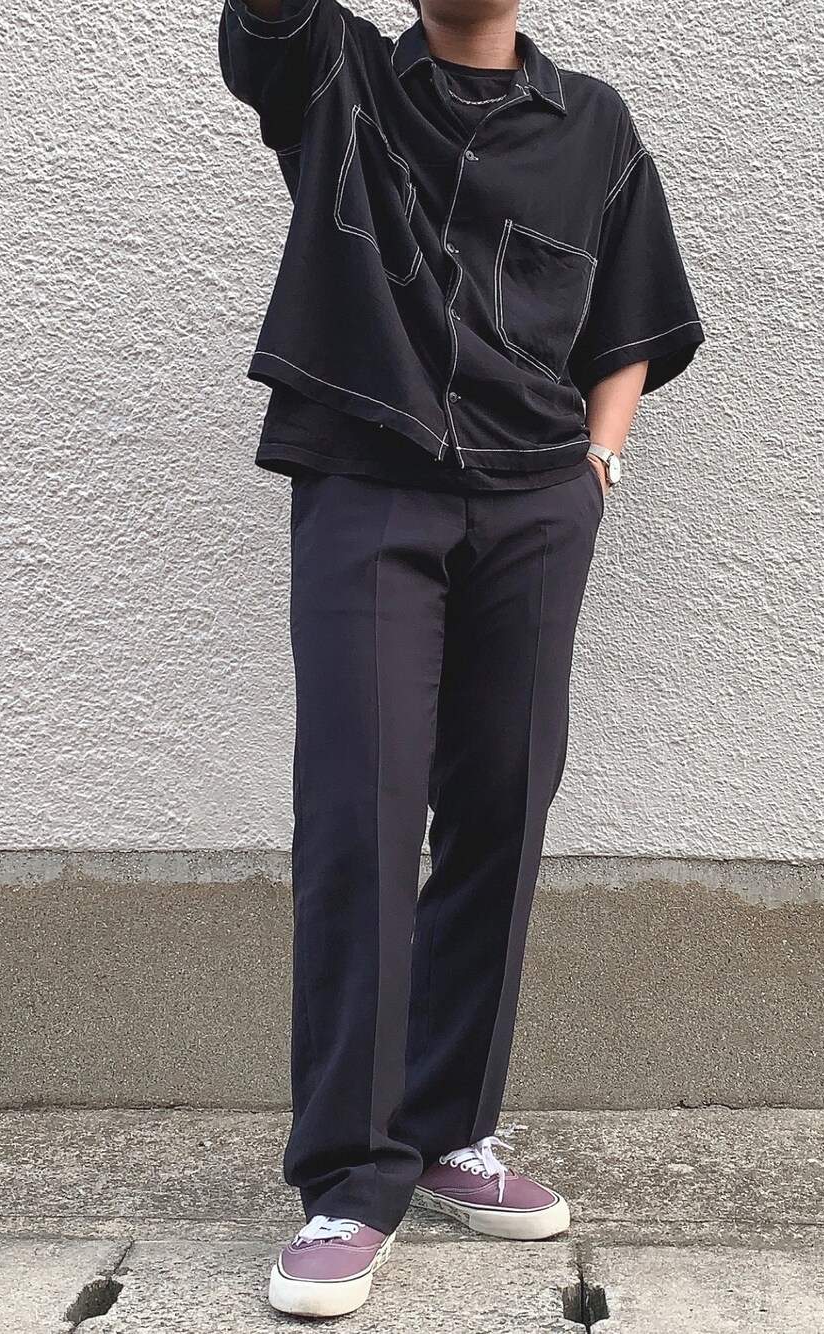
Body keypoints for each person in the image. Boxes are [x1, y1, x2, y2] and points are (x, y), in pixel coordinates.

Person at [218, 0, 705, 1316]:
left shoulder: (593, 125)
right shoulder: (340, 77)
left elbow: (633, 317)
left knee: (502, 802)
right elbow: (268, 29)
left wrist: (599, 466)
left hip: (537, 500)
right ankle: (349, 1177)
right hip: (371, 483)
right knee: (361, 813)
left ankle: (448, 1130)